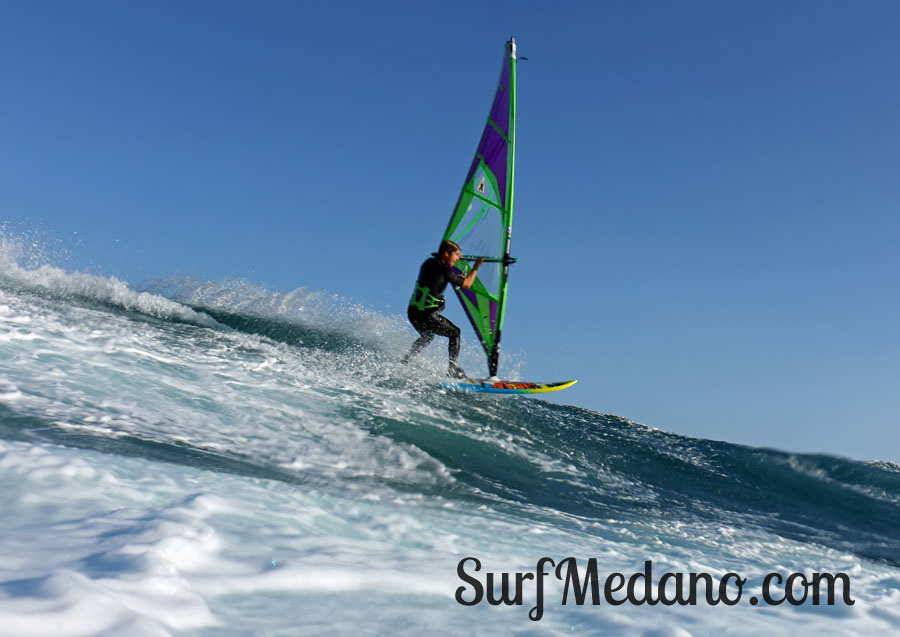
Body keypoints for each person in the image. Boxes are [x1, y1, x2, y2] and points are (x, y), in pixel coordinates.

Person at [402, 240, 485, 378]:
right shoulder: (446, 271)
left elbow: (436, 278)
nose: (459, 258)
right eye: (456, 254)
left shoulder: (428, 263)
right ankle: (452, 369)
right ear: (446, 254)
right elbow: (468, 283)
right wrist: (477, 265)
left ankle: (406, 359)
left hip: (413, 313)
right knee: (455, 333)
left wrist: (454, 277)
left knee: (427, 337)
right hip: (428, 315)